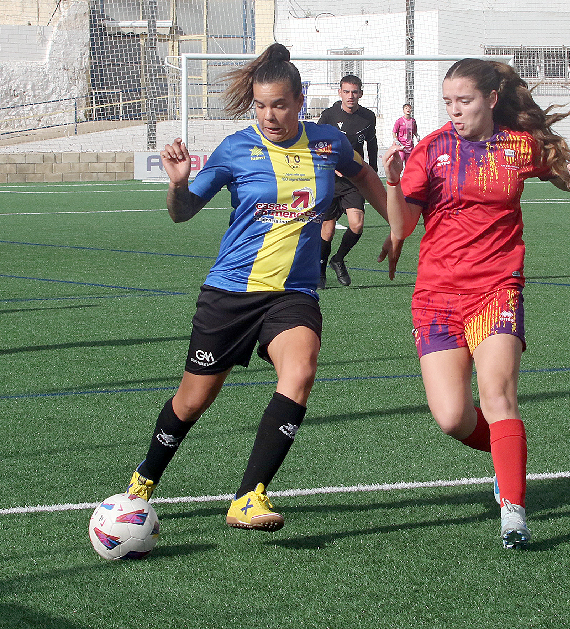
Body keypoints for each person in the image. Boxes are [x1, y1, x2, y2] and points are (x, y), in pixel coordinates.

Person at [125, 43, 392, 532]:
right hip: (230, 294)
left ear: (300, 101)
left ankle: (249, 496)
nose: (269, 116)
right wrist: (178, 184)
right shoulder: (235, 149)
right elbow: (183, 212)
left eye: (280, 105)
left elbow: (365, 176)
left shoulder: (328, 142)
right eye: (261, 106)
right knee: (192, 402)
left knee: (301, 369)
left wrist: (395, 227)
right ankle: (144, 478)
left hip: (293, 295)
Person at [381, 58, 570, 549]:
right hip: (437, 296)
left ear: (491, 99)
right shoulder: (431, 150)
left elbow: (558, 170)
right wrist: (392, 181)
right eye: (448, 102)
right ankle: (505, 456)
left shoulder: (518, 145)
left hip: (497, 288)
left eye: (465, 101)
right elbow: (403, 226)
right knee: (452, 418)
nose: (454, 111)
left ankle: (513, 512)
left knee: (498, 396)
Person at [317, 74, 378, 288]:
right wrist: (332, 165)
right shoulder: (328, 115)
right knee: (328, 230)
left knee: (357, 224)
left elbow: (372, 145)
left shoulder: (368, 117)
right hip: (330, 179)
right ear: (340, 93)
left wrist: (372, 172)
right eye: (346, 92)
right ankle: (320, 270)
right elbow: (317, 145)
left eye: (354, 92)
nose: (350, 96)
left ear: (360, 93)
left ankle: (338, 259)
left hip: (354, 178)